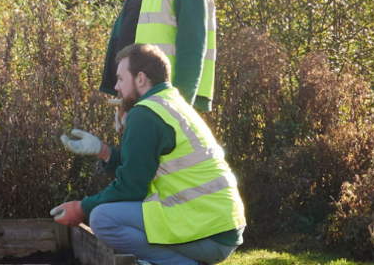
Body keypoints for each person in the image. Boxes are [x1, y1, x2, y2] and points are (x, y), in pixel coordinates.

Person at [54, 44, 246, 265]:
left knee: (102, 219)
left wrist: (82, 208)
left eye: (120, 79)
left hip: (207, 233)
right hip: (218, 227)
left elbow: (131, 188)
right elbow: (140, 171)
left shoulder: (145, 114)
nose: (116, 86)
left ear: (140, 79)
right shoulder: (170, 102)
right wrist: (103, 152)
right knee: (108, 214)